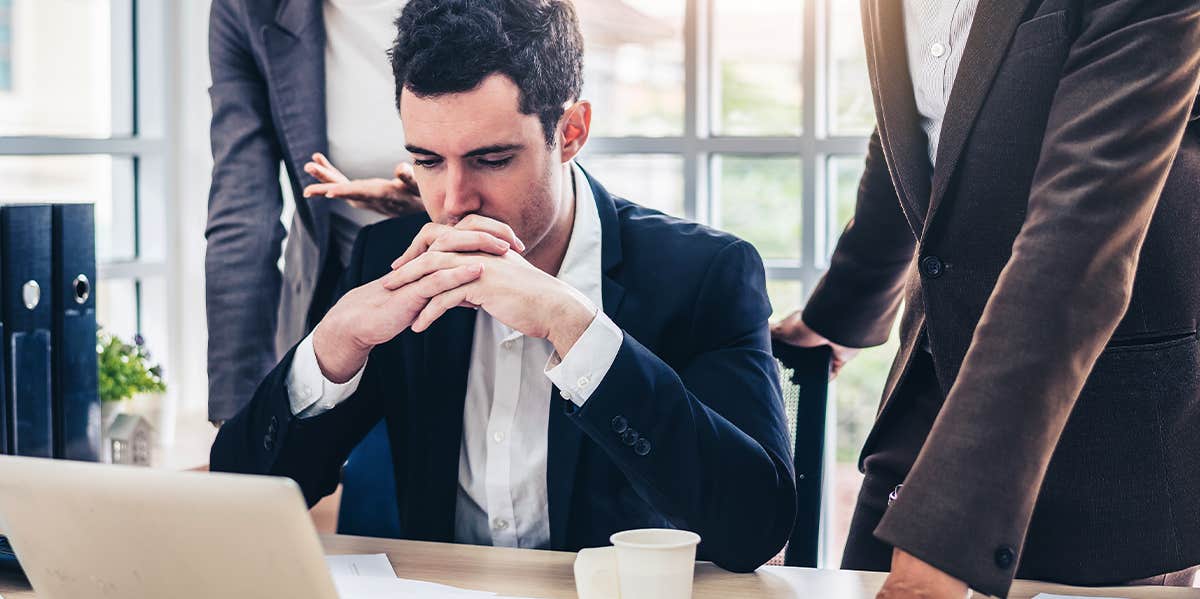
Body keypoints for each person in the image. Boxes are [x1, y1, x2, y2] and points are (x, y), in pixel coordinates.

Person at [211, 0, 795, 572]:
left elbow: (756, 529)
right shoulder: (389, 261)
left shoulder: (704, 274)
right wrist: (332, 345)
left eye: (491, 159)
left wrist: (577, 330)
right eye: (428, 162)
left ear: (571, 131)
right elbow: (241, 498)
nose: (453, 201)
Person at [773, 1, 1200, 597]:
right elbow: (921, 125)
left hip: (1104, 433)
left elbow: (1076, 244)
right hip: (927, 393)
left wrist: (945, 535)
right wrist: (843, 311)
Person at [206, 0, 421, 424]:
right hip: (339, 303)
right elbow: (242, 215)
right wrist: (239, 416)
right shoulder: (250, 9)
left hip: (470, 291)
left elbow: (535, 159)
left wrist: (433, 202)